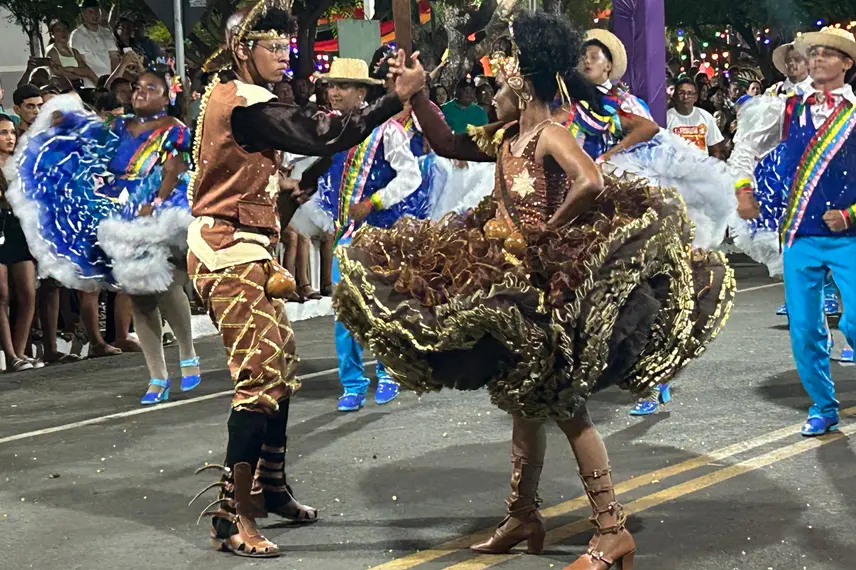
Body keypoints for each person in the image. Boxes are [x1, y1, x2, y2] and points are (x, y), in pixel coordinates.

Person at [334, 10, 734, 568]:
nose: (497, 81)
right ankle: (522, 515)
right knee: (525, 402)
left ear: (526, 79)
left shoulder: (549, 134)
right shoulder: (508, 138)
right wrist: (420, 94)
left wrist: (548, 230)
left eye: (506, 73)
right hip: (512, 282)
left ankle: (612, 529)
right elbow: (448, 143)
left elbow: (591, 180)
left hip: (546, 288)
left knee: (565, 406)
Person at [184, 0, 425, 557]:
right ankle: (233, 514)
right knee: (260, 377)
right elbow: (323, 134)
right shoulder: (242, 101)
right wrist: (396, 97)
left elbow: (267, 169)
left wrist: (283, 198)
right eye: (271, 47)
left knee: (281, 365)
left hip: (248, 247)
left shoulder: (243, 99)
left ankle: (270, 489)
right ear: (244, 51)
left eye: (286, 48)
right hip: (226, 251)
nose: (282, 56)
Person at [7, 63, 201, 398]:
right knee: (141, 299)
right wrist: (63, 115)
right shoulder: (119, 126)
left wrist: (153, 202)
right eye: (138, 87)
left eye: (151, 88)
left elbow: (173, 169)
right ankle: (157, 375)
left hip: (164, 211)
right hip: (124, 213)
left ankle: (187, 353)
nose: (141, 92)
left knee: (167, 287)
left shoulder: (175, 128)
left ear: (167, 97)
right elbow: (88, 135)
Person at [732, 27, 856, 436]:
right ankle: (823, 405)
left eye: (827, 54)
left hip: (849, 239)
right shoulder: (787, 109)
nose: (817, 59)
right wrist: (742, 188)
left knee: (853, 322)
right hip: (799, 235)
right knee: (805, 329)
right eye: (813, 53)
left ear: (846, 64)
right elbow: (745, 148)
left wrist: (851, 215)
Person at [294, 53, 425, 412]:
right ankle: (351, 381)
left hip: (379, 233)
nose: (334, 92)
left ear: (361, 92)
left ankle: (387, 373)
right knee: (344, 310)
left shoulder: (386, 130)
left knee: (381, 305)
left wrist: (375, 201)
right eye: (331, 86)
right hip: (344, 232)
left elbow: (411, 176)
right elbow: (324, 167)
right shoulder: (331, 128)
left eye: (342, 86)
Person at [0, 115, 41, 371]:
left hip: (19, 229)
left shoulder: (20, 164)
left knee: (27, 291)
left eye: (11, 132)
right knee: (1, 295)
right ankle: (10, 354)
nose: (10, 137)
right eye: (3, 133)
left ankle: (21, 350)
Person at [667, 78, 726, 158]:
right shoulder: (667, 118)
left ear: (695, 97)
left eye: (690, 93)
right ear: (674, 96)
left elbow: (715, 147)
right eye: (681, 93)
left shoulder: (706, 116)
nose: (686, 96)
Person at [70, 0, 120, 88]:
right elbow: (81, 63)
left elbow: (114, 58)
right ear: (84, 14)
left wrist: (114, 81)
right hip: (90, 84)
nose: (95, 15)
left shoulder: (106, 33)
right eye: (91, 12)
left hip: (110, 81)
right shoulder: (77, 35)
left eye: (97, 11)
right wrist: (98, 83)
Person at [47, 20, 99, 89]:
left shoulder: (74, 51)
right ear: (52, 35)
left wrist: (71, 69)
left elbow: (87, 70)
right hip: (65, 89)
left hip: (80, 86)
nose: (63, 32)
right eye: (58, 30)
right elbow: (62, 75)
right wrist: (80, 73)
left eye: (65, 29)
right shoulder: (52, 53)